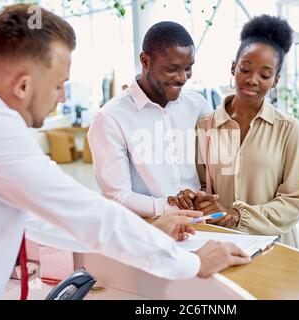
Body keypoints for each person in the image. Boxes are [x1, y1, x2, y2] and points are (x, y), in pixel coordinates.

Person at [0, 4, 250, 299]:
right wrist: (195, 263)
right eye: (59, 85)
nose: (62, 98)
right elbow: (88, 215)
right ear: (23, 85)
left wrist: (153, 233)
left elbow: (42, 221)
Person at [171, 15, 299, 247]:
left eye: (265, 75)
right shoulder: (206, 126)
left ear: (275, 80)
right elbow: (204, 185)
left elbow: (293, 202)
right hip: (221, 243)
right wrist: (195, 198)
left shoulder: (288, 130)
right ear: (234, 67)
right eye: (245, 69)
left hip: (273, 245)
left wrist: (237, 216)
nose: (252, 80)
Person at [87, 21, 212, 218]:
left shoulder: (197, 105)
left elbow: (211, 168)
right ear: (145, 61)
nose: (182, 77)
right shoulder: (110, 118)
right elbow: (117, 196)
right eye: (173, 68)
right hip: (149, 230)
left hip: (204, 222)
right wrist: (174, 208)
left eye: (188, 68)